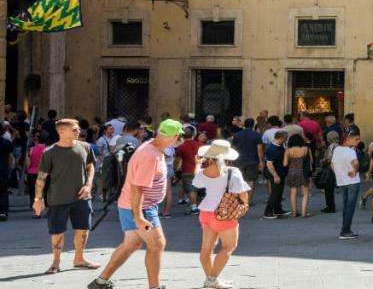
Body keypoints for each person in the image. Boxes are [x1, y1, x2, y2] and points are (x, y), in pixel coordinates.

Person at [88, 118, 183, 289]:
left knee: (131, 244)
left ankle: (101, 281)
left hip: (132, 204)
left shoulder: (151, 146)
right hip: (142, 207)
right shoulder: (150, 156)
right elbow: (137, 188)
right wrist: (138, 216)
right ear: (174, 136)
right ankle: (154, 287)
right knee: (157, 244)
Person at [33, 118, 96, 275]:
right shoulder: (50, 152)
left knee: (82, 229)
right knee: (57, 232)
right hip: (58, 199)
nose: (78, 132)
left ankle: (79, 259)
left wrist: (88, 185)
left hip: (82, 198)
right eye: (74, 129)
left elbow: (90, 167)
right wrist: (38, 199)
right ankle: (56, 262)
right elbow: (41, 178)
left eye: (78, 129)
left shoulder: (85, 147)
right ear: (61, 132)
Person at [191, 139, 248, 289]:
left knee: (206, 249)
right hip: (224, 214)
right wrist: (244, 204)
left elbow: (196, 182)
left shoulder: (204, 171)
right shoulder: (233, 172)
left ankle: (212, 279)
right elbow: (242, 195)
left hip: (205, 212)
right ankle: (212, 279)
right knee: (228, 247)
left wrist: (198, 164)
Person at [332, 126, 362, 239]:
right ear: (348, 139)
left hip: (342, 182)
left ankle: (345, 229)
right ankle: (345, 230)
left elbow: (332, 165)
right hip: (352, 182)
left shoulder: (336, 149)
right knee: (350, 206)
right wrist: (355, 171)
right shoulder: (350, 151)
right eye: (356, 139)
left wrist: (339, 174)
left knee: (346, 205)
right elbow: (356, 163)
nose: (358, 142)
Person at [283, 133, 312, 219]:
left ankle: (294, 213)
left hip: (292, 172)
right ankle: (304, 213)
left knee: (293, 192)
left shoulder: (288, 151)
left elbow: (285, 164)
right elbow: (311, 161)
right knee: (305, 193)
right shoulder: (306, 149)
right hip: (303, 172)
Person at [262, 130, 288, 218]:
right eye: (285, 138)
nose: (286, 140)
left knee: (279, 192)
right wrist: (275, 175)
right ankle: (268, 212)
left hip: (280, 172)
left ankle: (278, 209)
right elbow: (269, 164)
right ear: (281, 138)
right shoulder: (272, 149)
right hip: (275, 173)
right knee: (275, 192)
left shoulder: (279, 146)